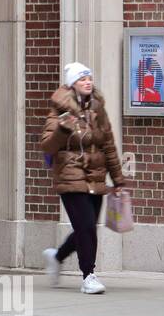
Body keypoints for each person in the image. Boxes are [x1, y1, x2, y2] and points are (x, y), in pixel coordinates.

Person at [39, 63, 129, 294]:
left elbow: (108, 144)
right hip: (70, 177)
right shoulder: (59, 110)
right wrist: (62, 130)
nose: (88, 82)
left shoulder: (98, 109)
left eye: (89, 78)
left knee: (86, 229)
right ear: (72, 84)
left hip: (96, 176)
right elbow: (46, 145)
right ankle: (88, 275)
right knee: (86, 226)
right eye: (82, 79)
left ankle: (57, 256)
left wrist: (118, 179)